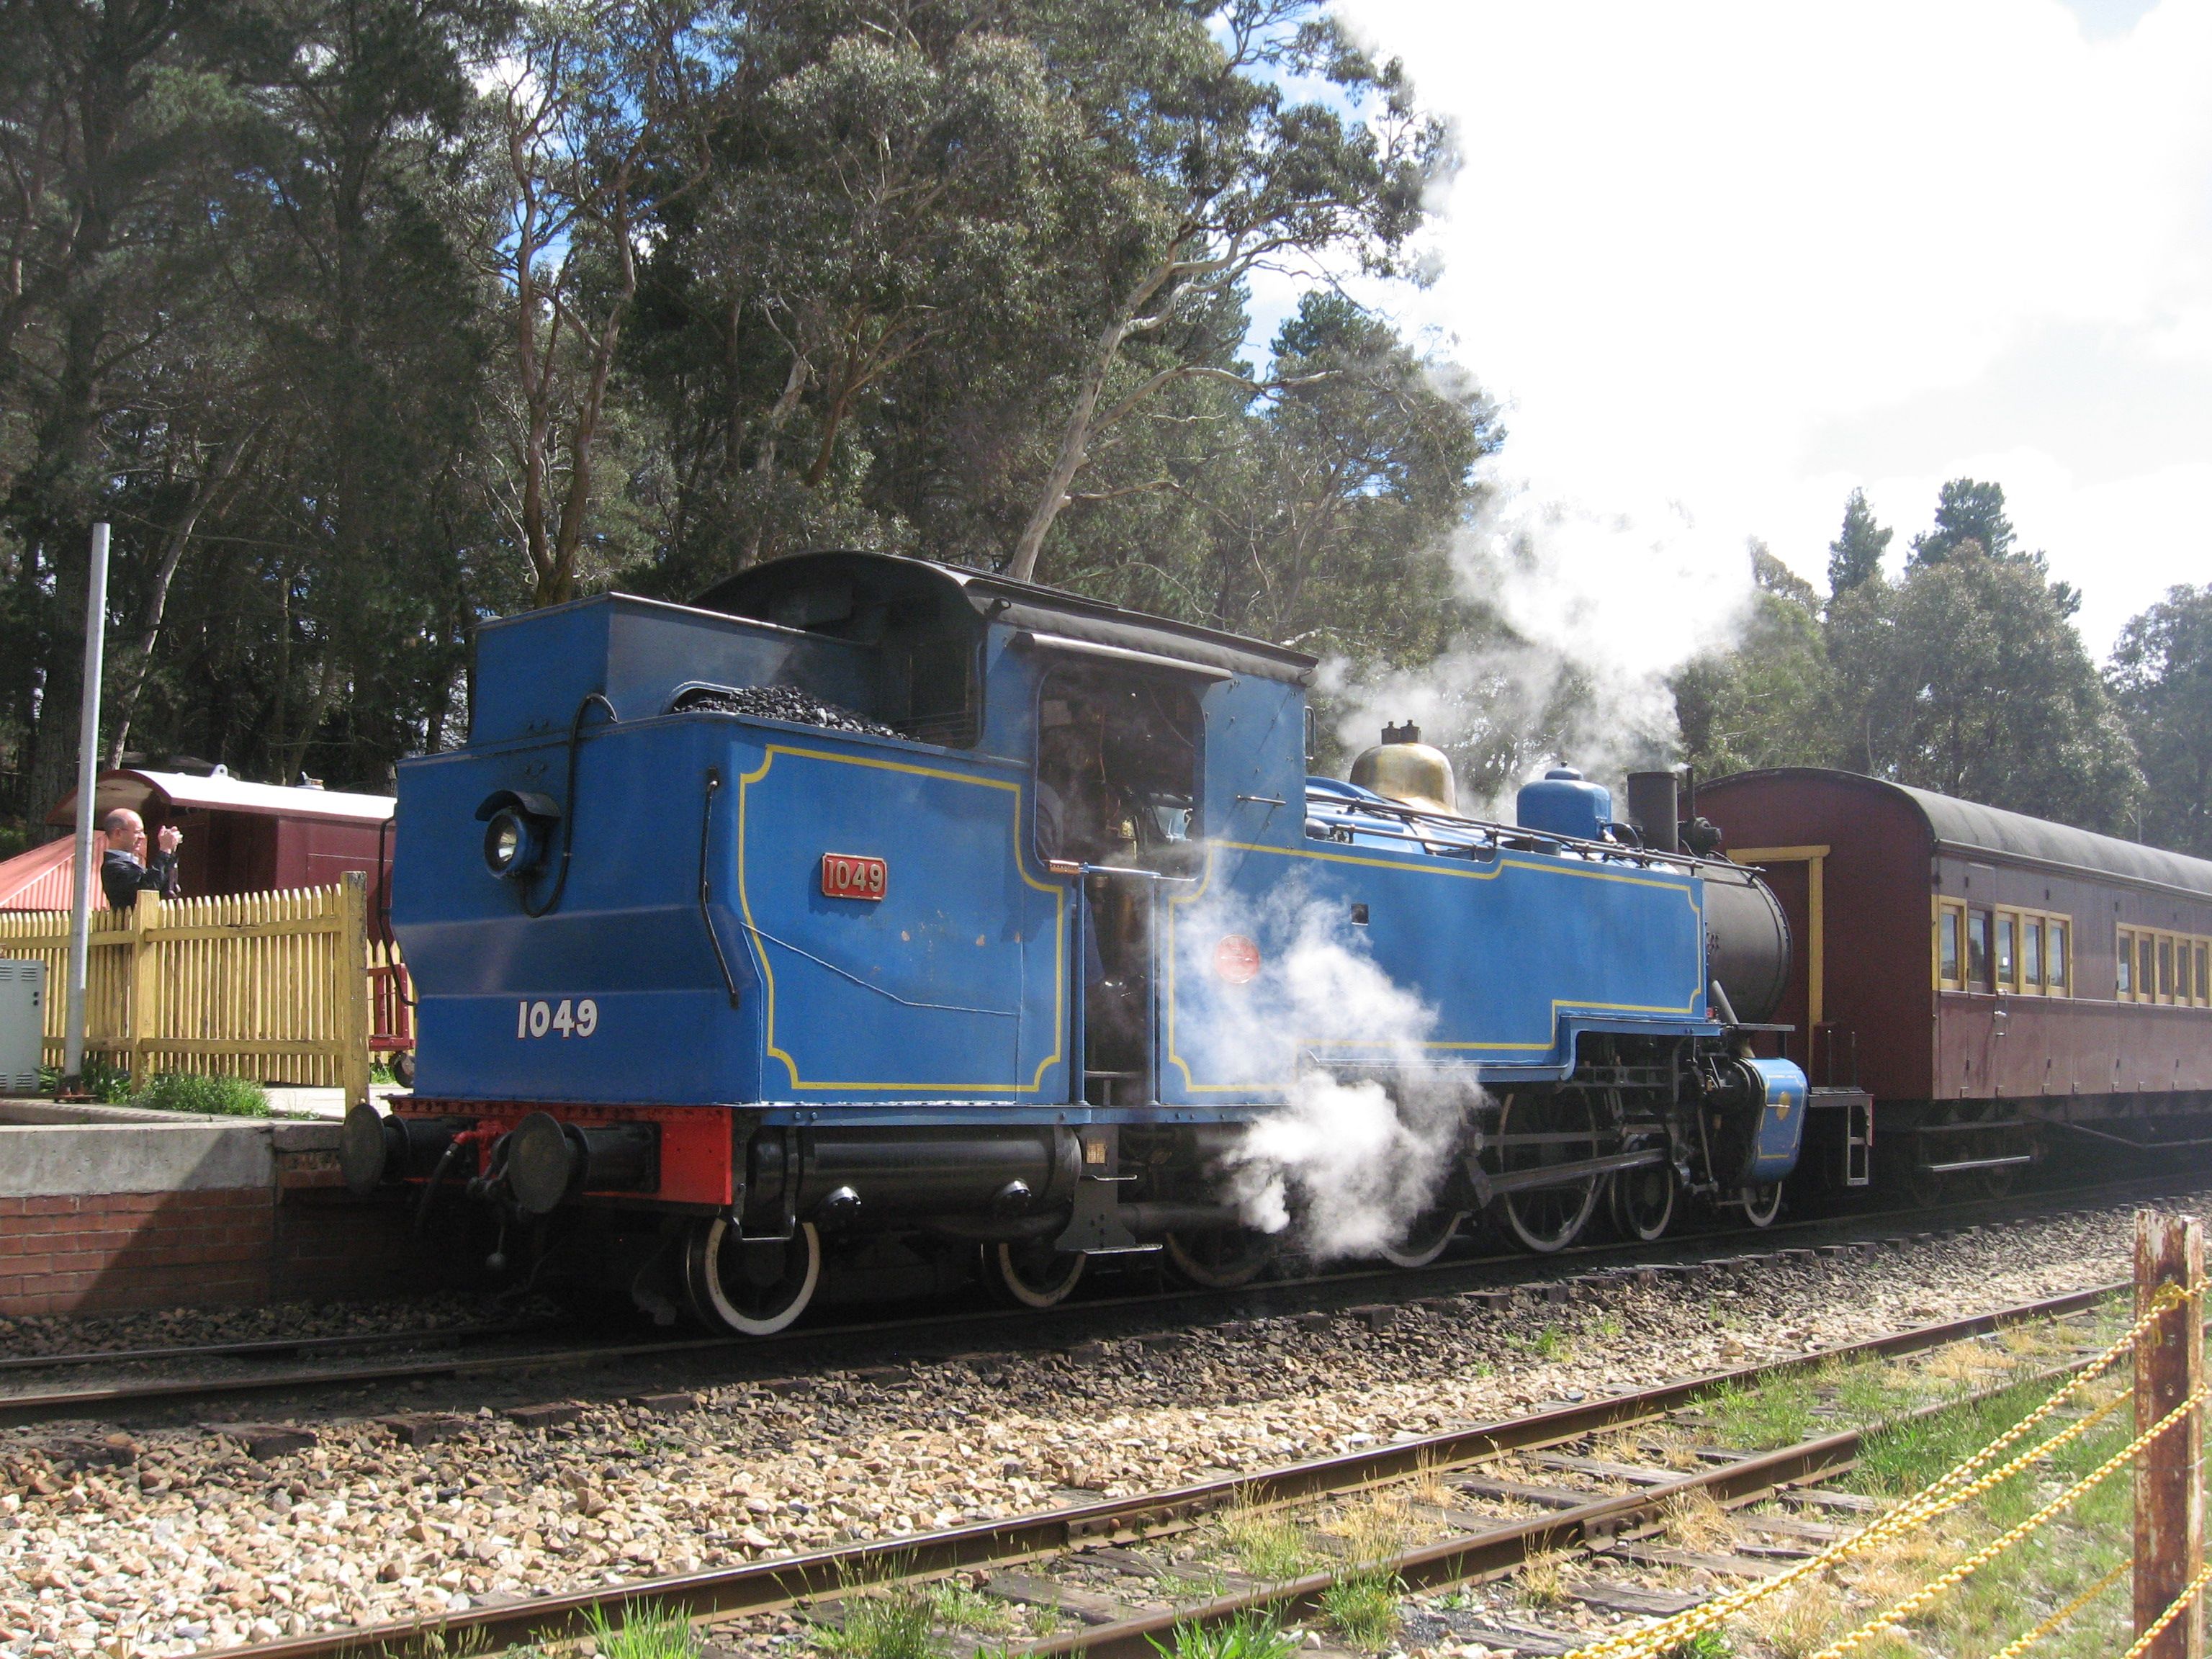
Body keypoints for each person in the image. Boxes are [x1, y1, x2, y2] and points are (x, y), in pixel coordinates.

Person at [100, 808, 182, 913]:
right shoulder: (113, 866)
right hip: (129, 925)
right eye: (138, 832)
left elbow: (164, 890)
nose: (142, 837)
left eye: (143, 832)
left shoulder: (131, 862)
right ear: (118, 833)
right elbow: (147, 889)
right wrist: (165, 851)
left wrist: (171, 852)